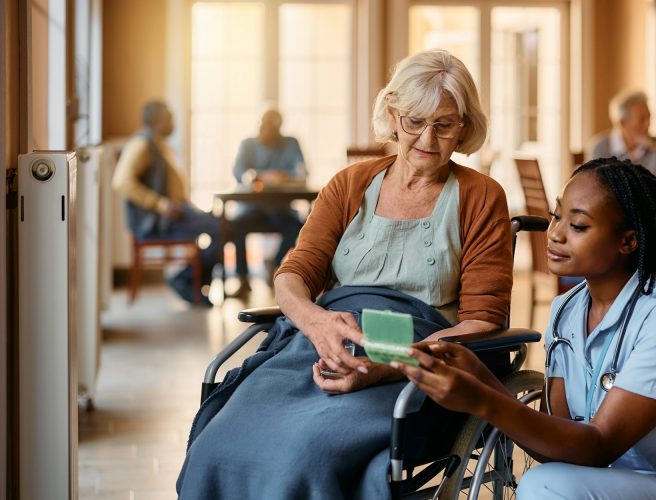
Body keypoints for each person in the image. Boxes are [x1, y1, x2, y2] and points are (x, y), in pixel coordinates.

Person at [177, 49, 513, 499]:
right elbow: (292, 275)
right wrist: (316, 323)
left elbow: (483, 323)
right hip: (324, 340)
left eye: (444, 125)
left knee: (308, 454)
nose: (427, 140)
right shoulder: (349, 184)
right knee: (217, 444)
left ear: (464, 127)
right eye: (414, 121)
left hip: (419, 362)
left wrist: (391, 363)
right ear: (393, 117)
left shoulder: (480, 196)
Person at [393, 158, 656, 499]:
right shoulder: (567, 310)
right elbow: (558, 448)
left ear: (628, 241)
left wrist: (483, 401)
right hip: (608, 482)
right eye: (555, 217)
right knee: (549, 479)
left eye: (579, 225)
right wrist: (481, 379)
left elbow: (599, 445)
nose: (555, 233)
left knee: (544, 486)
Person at [112, 100, 221, 306]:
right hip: (159, 222)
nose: (173, 122)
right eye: (170, 117)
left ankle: (192, 282)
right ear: (159, 121)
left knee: (220, 224)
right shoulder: (142, 144)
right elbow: (121, 181)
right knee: (222, 228)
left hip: (177, 214)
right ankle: (185, 281)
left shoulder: (158, 144)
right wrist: (161, 204)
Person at [230, 107, 306, 294]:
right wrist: (255, 176)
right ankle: (242, 278)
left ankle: (274, 264)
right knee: (234, 227)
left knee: (299, 227)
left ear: (279, 129)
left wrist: (282, 177)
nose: (265, 132)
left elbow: (302, 173)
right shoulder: (247, 144)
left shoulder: (290, 143)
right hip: (251, 209)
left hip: (280, 209)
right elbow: (238, 173)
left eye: (271, 129)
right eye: (263, 127)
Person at [588, 90, 656, 184]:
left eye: (649, 118)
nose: (648, 124)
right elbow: (594, 190)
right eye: (641, 119)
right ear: (622, 123)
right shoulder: (599, 148)